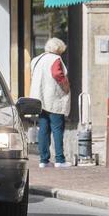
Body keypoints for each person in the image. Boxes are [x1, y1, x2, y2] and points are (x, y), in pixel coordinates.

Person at [30, 38, 71, 168]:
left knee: (43, 129)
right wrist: (66, 87)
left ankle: (44, 160)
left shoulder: (36, 60)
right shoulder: (55, 59)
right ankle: (59, 159)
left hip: (39, 99)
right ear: (59, 49)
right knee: (57, 128)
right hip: (53, 98)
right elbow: (57, 74)